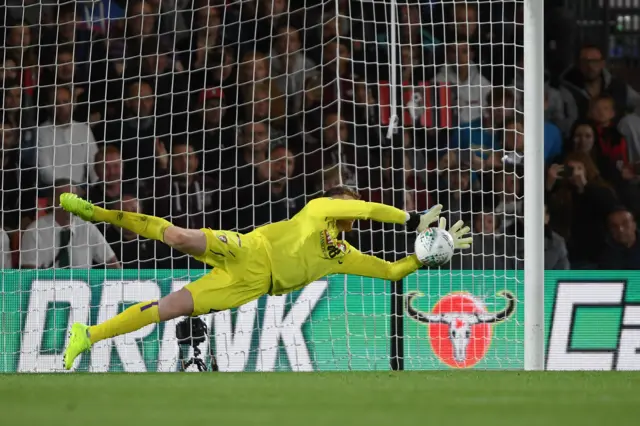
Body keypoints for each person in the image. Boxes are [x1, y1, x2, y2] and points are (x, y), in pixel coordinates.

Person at [59, 186, 472, 370]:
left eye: (345, 203)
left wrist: (428, 256)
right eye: (345, 201)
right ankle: (96, 213)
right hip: (249, 249)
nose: (349, 206)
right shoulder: (315, 209)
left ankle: (88, 334)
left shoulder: (342, 255)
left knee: (169, 308)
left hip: (250, 285)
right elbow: (367, 209)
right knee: (178, 236)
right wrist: (412, 219)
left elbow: (389, 271)